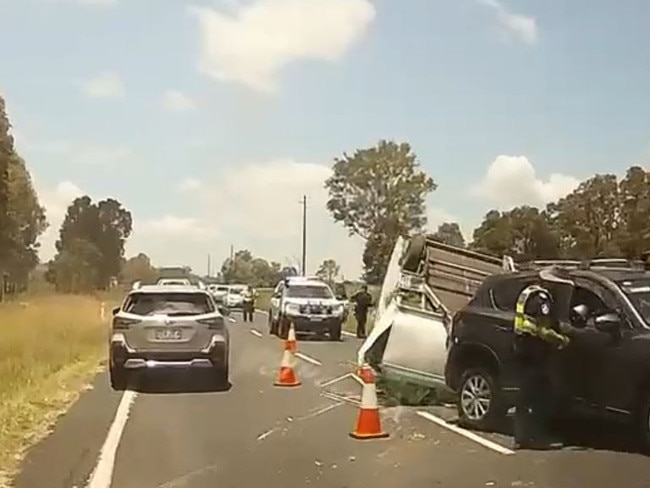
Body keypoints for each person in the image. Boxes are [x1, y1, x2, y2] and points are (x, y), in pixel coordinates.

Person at [513, 267, 573, 450]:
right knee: (540, 397)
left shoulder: (528, 292)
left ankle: (522, 437)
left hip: (522, 348)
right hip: (535, 351)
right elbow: (543, 330)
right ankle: (537, 438)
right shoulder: (543, 300)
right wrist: (562, 340)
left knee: (524, 397)